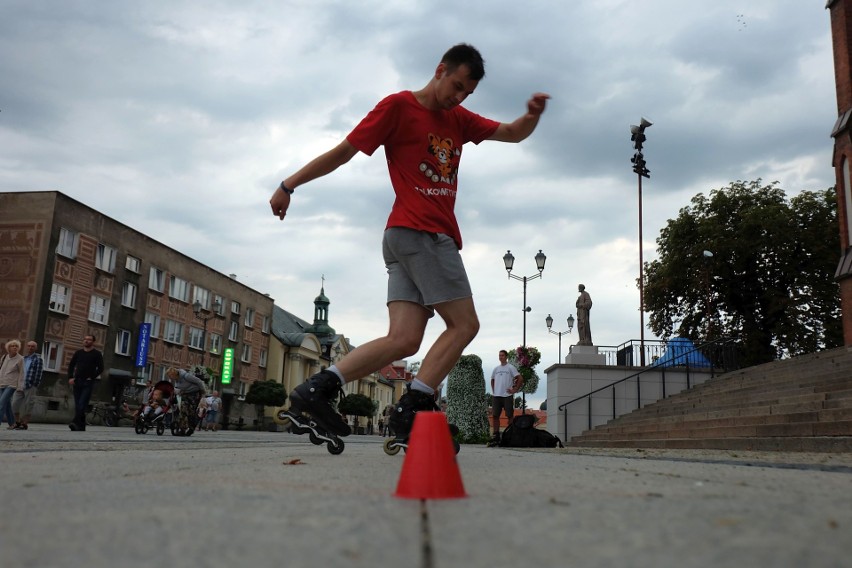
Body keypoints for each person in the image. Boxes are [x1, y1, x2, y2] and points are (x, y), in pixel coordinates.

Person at [269, 43, 549, 441]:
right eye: (455, 86)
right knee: (465, 323)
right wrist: (288, 185)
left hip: (404, 239)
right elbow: (345, 151)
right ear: (439, 70)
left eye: (466, 94)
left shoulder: (459, 118)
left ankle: (316, 390)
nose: (457, 98)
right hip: (422, 234)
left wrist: (532, 116)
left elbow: (512, 134)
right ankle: (412, 406)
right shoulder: (398, 107)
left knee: (403, 339)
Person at [67, 334, 104, 431]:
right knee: (77, 404)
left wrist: (92, 377)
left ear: (93, 342)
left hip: (87, 382)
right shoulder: (78, 353)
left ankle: (75, 422)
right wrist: (70, 377)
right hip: (77, 381)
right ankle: (81, 426)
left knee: (82, 403)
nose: (86, 341)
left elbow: (101, 368)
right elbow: (71, 365)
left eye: (89, 339)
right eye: (85, 339)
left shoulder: (97, 354)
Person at [489, 349, 521, 444]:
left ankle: (510, 433)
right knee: (495, 416)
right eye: (499, 355)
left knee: (509, 415)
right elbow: (492, 380)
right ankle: (496, 435)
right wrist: (494, 390)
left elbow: (520, 378)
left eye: (502, 355)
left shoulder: (510, 368)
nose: (500, 357)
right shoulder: (496, 369)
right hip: (497, 396)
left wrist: (514, 389)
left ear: (506, 357)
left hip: (507, 395)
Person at [11, 340, 44, 430]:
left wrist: (34, 385)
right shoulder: (23, 358)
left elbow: (38, 373)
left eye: (32, 346)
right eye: (29, 346)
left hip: (30, 385)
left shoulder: (38, 359)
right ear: (26, 347)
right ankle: (17, 422)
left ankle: (24, 423)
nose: (30, 348)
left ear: (35, 348)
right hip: (20, 384)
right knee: (14, 404)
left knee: (28, 405)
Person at [0, 340, 24, 429]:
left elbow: (22, 373)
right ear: (8, 348)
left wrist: (20, 387)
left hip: (11, 385)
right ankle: (12, 423)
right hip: (2, 383)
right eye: (12, 346)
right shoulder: (4, 357)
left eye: (16, 346)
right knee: (6, 405)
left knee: (1, 404)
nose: (14, 347)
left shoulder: (20, 359)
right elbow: (1, 370)